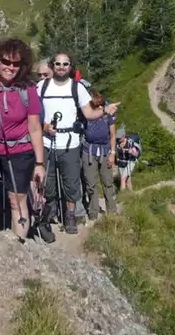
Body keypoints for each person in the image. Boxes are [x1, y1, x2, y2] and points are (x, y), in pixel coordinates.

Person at [33, 53, 119, 235]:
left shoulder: (77, 88)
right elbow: (33, 114)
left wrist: (105, 111)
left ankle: (70, 214)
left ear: (70, 66)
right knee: (48, 183)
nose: (61, 67)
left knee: (71, 182)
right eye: (58, 64)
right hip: (47, 142)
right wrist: (44, 126)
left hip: (70, 143)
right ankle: (50, 212)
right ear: (52, 65)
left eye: (65, 64)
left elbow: (88, 113)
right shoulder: (41, 87)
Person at [0, 39, 46, 240]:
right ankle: (18, 237)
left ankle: (20, 243)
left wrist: (39, 163)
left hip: (22, 152)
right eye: (6, 62)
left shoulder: (28, 90)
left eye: (16, 64)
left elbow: (34, 127)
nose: (11, 67)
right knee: (9, 197)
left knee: (16, 200)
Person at [82, 92, 118, 218]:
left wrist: (112, 154)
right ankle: (93, 211)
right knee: (90, 183)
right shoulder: (86, 115)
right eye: (95, 106)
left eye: (100, 106)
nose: (98, 109)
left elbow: (113, 135)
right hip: (89, 151)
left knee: (107, 182)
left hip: (105, 151)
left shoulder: (108, 115)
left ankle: (112, 210)